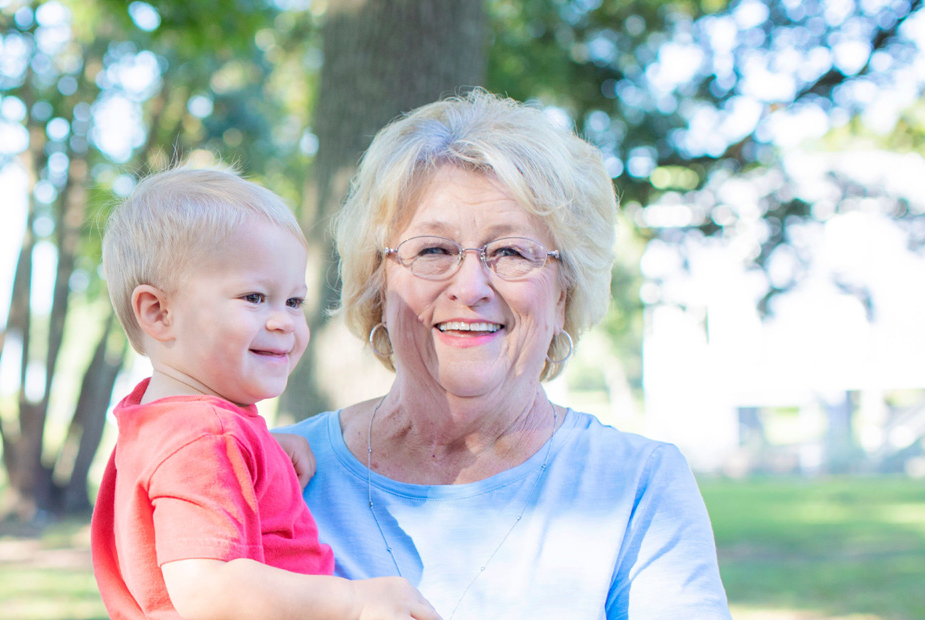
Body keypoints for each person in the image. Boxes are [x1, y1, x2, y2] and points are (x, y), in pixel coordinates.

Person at [272, 90, 732, 619]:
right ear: (378, 284)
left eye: (511, 252)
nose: (470, 286)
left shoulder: (638, 485)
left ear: (564, 295)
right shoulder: (275, 471)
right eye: (433, 250)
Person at [90, 165, 439, 620]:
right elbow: (207, 588)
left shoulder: (164, 428)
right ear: (158, 312)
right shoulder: (204, 439)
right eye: (255, 297)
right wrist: (355, 601)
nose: (284, 321)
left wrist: (261, 455)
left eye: (294, 302)